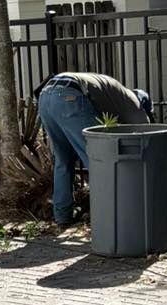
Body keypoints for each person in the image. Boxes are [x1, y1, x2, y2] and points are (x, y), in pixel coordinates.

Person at [36, 70, 153, 227]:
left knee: (63, 160)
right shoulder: (135, 103)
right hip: (70, 96)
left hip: (46, 97)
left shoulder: (113, 93)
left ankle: (63, 216)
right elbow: (147, 135)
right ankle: (108, 218)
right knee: (99, 161)